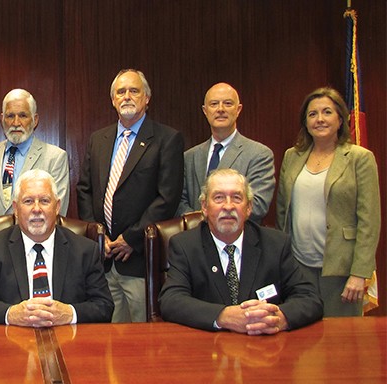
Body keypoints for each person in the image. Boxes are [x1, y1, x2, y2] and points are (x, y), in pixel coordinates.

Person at [76, 68, 184, 322]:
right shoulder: (98, 139)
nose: (127, 96)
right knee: (106, 334)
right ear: (113, 100)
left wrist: (131, 238)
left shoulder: (167, 139)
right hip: (103, 260)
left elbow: (167, 198)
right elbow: (84, 190)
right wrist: (97, 235)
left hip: (139, 258)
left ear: (147, 98)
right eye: (120, 92)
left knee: (140, 335)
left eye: (134, 91)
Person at [159, 169, 323, 334]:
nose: (228, 206)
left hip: (263, 344)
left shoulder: (275, 244)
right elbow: (171, 301)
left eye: (236, 198)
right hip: (209, 344)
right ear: (205, 207)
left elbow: (309, 298)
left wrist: (279, 318)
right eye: (219, 198)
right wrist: (223, 316)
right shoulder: (185, 246)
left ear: (248, 208)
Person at [276, 87, 380, 317]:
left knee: (341, 336)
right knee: (302, 334)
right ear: (305, 122)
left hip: (341, 270)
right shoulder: (291, 156)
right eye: (312, 114)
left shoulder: (360, 158)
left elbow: (369, 221)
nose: (320, 119)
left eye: (327, 112)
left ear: (340, 119)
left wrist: (359, 273)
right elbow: (283, 213)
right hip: (298, 266)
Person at [0, 169, 113, 326]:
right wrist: (10, 314)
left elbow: (104, 306)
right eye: (28, 201)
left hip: (68, 338)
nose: (36, 209)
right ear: (16, 208)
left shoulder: (85, 250)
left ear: (57, 207)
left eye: (44, 201)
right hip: (11, 338)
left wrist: (70, 313)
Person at [178, 82, 274, 223]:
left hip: (239, 234)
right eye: (214, 104)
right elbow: (179, 201)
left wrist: (211, 219)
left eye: (228, 104)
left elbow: (258, 204)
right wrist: (198, 223)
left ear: (238, 109)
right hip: (196, 234)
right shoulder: (189, 157)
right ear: (205, 111)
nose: (220, 109)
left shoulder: (259, 154)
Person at [0, 88, 69, 222]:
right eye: (10, 116)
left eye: (23, 115)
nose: (16, 123)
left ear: (35, 120)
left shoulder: (55, 158)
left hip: (33, 235)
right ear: (2, 119)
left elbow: (56, 211)